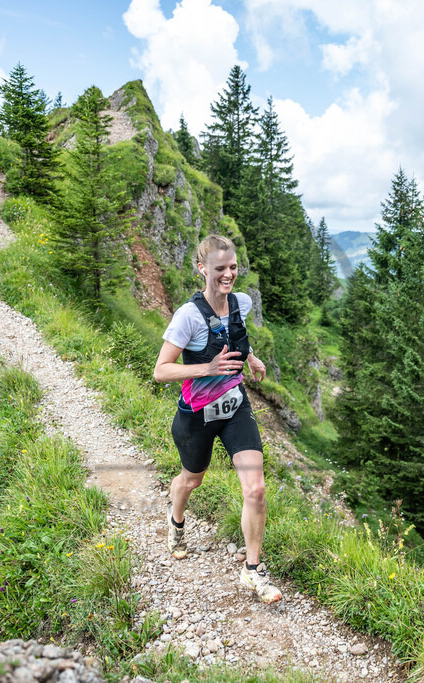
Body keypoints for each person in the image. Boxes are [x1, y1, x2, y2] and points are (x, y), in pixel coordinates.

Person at [153, 235, 282, 604]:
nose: (229, 275)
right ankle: (176, 522)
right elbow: (161, 371)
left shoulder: (241, 302)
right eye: (220, 269)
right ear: (202, 269)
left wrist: (251, 357)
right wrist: (207, 367)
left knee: (255, 489)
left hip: (235, 406)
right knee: (192, 480)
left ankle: (252, 571)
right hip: (196, 415)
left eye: (233, 267)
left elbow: (237, 337)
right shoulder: (188, 316)